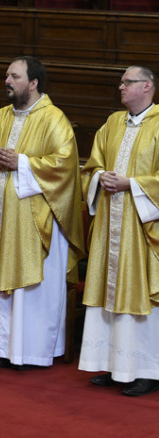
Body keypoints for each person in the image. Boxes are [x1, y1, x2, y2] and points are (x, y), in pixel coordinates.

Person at [0, 56, 84, 369]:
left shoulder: (54, 119)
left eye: (15, 76)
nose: (7, 81)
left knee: (30, 289)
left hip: (33, 222)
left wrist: (21, 162)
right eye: (7, 75)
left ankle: (28, 352)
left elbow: (64, 165)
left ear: (34, 83)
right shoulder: (0, 116)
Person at [79, 65, 159, 396]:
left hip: (143, 230)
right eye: (121, 82)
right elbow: (91, 167)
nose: (121, 87)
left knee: (139, 293)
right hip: (109, 224)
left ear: (148, 86)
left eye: (128, 82)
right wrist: (101, 178)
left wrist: (132, 184)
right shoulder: (112, 123)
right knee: (109, 292)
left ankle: (148, 371)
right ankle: (113, 366)